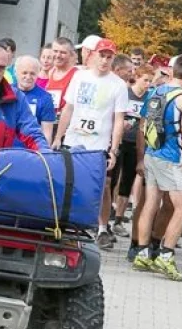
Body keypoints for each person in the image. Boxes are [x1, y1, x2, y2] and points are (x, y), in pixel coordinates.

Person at [51, 39, 128, 250]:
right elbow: (68, 108)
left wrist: (114, 148)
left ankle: (103, 228)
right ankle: (65, 223)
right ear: (92, 55)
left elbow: (118, 119)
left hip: (98, 143)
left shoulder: (118, 85)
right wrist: (59, 137)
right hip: (74, 139)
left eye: (109, 57)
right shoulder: (79, 77)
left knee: (102, 186)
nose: (104, 60)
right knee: (69, 181)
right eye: (101, 55)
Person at [132, 55, 182, 281]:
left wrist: (142, 156)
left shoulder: (155, 91)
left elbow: (143, 126)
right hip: (171, 158)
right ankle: (166, 255)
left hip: (152, 154)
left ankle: (142, 252)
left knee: (150, 203)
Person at [113, 65, 154, 239]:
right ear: (136, 77)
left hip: (135, 143)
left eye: (150, 81)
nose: (147, 84)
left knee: (127, 183)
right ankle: (105, 218)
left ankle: (118, 220)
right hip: (120, 141)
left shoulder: (149, 98)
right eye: (145, 80)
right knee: (112, 179)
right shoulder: (125, 93)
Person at [12, 55, 56, 141]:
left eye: (32, 73)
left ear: (38, 74)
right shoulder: (6, 93)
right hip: (6, 148)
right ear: (16, 73)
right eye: (24, 73)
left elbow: (47, 133)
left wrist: (45, 152)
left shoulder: (45, 98)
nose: (28, 77)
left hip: (31, 149)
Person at [44, 37, 77, 125]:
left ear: (70, 54)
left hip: (66, 124)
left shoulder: (76, 74)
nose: (58, 55)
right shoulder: (51, 72)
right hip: (49, 121)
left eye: (63, 52)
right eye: (55, 51)